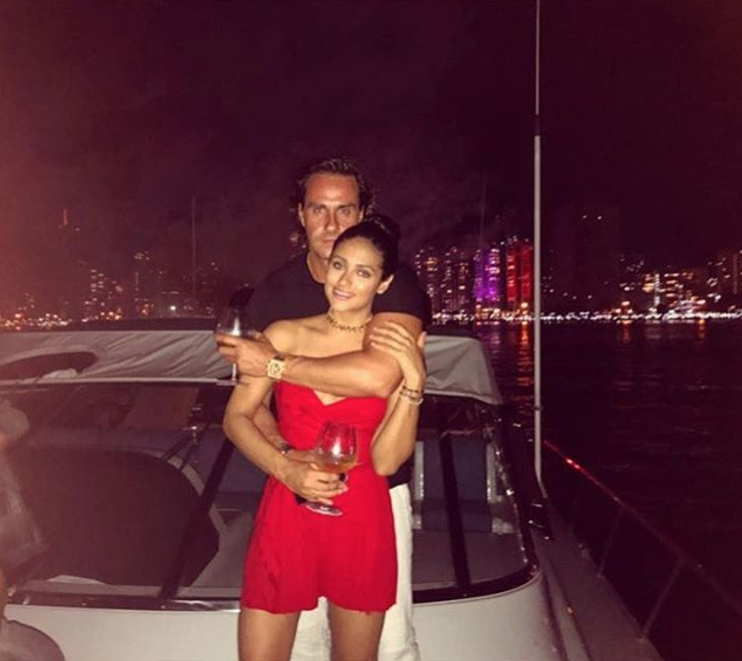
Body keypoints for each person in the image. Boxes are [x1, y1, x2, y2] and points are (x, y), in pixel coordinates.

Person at [217, 157, 428, 661]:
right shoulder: (277, 302)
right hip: (290, 494)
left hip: (372, 500)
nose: (331, 224)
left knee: (388, 646)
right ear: (301, 214)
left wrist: (273, 364)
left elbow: (377, 378)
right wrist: (286, 462)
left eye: (344, 210)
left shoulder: (397, 285)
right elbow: (243, 410)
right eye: (318, 209)